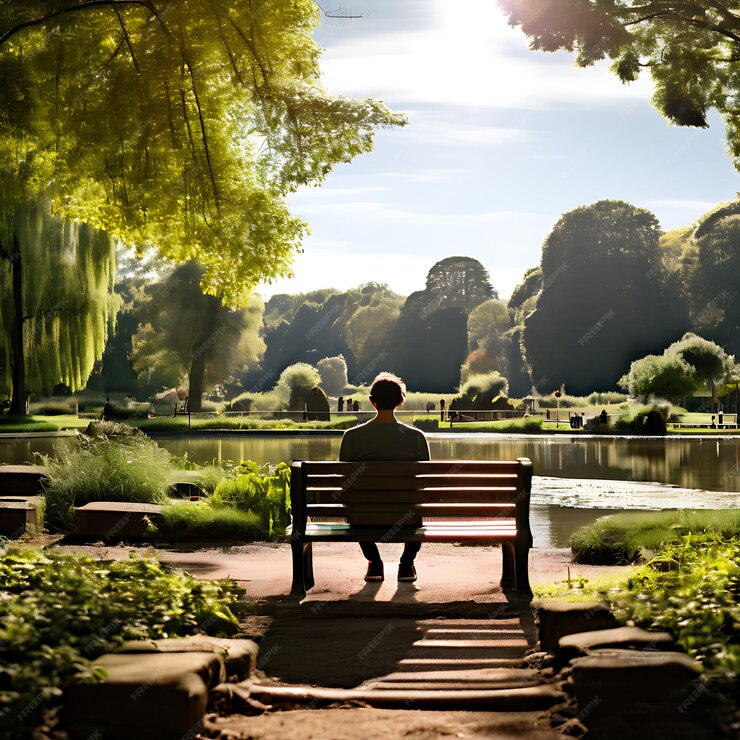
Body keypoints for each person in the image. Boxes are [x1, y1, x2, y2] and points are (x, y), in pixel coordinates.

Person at [339, 372, 430, 583]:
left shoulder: (351, 437)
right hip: (407, 516)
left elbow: (343, 482)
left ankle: (374, 562)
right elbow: (425, 482)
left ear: (372, 402)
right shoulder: (417, 438)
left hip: (364, 516)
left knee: (354, 506)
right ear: (400, 402)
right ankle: (407, 563)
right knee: (417, 506)